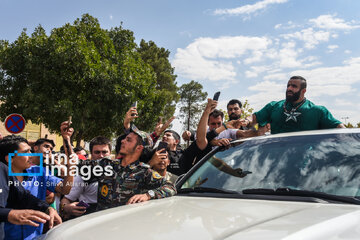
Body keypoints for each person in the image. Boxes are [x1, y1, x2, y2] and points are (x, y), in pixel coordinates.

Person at [3, 125, 73, 239]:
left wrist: (71, 168)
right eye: (26, 152)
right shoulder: (2, 178)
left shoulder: (40, 172)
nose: (31, 155)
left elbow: (65, 189)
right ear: (10, 158)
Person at [85, 127, 176, 210]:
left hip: (125, 224)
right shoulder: (106, 164)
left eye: (128, 140)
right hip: (100, 222)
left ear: (139, 148)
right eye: (125, 139)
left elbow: (171, 187)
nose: (122, 141)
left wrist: (148, 195)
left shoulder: (144, 172)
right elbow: (79, 166)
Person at [244, 76, 345, 134]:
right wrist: (246, 121)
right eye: (288, 85)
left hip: (305, 163)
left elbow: (341, 130)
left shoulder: (318, 111)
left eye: (294, 86)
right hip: (275, 160)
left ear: (303, 91)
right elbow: (254, 118)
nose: (289, 88)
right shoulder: (273, 106)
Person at [60, 136, 112, 219]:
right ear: (91, 154)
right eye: (97, 152)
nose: (101, 155)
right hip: (90, 220)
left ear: (110, 153)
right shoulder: (84, 175)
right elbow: (65, 200)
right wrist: (66, 207)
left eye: (104, 152)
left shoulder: (121, 172)